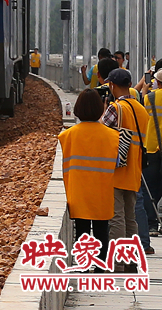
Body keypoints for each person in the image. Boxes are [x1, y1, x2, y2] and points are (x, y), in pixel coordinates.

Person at [58, 88, 119, 268]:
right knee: (101, 231)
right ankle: (100, 266)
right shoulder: (113, 136)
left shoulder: (66, 135)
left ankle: (83, 264)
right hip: (102, 191)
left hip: (78, 192)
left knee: (82, 231)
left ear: (78, 109)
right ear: (100, 109)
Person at [101, 68, 150, 269]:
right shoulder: (140, 108)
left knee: (116, 219)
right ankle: (131, 262)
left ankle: (117, 263)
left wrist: (104, 108)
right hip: (134, 170)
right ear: (130, 85)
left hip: (116, 169)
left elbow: (101, 132)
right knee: (131, 219)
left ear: (112, 85)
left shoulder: (116, 108)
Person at [139, 69, 162, 246]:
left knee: (150, 189)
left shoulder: (150, 98)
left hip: (153, 147)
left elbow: (141, 104)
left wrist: (145, 88)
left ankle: (152, 224)